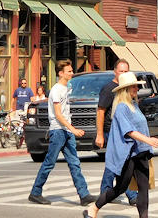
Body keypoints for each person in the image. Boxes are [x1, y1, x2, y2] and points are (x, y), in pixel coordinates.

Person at [84, 71, 158, 218]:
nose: (136, 89)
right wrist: (149, 140)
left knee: (143, 188)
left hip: (141, 152)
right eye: (133, 86)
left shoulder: (134, 105)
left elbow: (139, 126)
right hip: (128, 154)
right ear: (125, 89)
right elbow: (129, 131)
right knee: (120, 188)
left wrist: (147, 143)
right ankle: (94, 208)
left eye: (136, 86)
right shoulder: (121, 107)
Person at [28, 59, 97, 206]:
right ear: (61, 73)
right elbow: (58, 114)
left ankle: (84, 195)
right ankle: (35, 192)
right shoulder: (56, 90)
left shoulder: (66, 88)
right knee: (49, 162)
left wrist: (70, 129)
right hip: (58, 131)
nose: (72, 73)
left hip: (66, 131)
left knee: (74, 163)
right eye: (69, 71)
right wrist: (72, 129)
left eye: (72, 71)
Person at [95, 58, 138, 206]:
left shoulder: (128, 88)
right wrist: (100, 134)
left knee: (123, 162)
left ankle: (108, 192)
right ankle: (125, 194)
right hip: (111, 131)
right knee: (118, 162)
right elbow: (100, 111)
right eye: (121, 71)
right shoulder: (109, 89)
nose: (123, 74)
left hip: (125, 132)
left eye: (126, 71)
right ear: (115, 72)